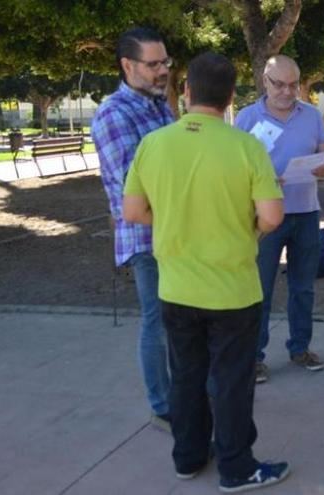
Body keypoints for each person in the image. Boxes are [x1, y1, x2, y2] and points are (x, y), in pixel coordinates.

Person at [123, 52, 290, 492]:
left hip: (176, 287)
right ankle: (236, 467)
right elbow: (272, 216)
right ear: (232, 96)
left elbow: (134, 210)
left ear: (188, 92)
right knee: (233, 382)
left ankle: (188, 456)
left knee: (186, 376)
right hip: (233, 289)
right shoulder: (246, 146)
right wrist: (248, 232)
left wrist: (179, 221)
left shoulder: (154, 144)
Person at [91, 27, 174, 430]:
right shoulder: (114, 114)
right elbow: (133, 192)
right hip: (145, 237)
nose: (163, 71)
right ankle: (163, 407)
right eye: (153, 64)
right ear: (128, 66)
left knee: (182, 319)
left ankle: (188, 392)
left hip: (176, 232)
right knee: (157, 322)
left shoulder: (160, 106)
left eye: (165, 62)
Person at [235, 55, 324, 384]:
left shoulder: (312, 116)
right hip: (265, 216)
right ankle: (253, 358)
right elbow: (234, 171)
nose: (287, 92)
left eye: (294, 85)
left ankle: (300, 348)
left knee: (303, 288)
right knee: (258, 289)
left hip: (306, 212)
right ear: (265, 80)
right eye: (279, 84)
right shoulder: (247, 118)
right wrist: (261, 182)